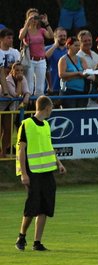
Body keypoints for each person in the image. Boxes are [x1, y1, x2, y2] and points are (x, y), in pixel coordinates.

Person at [14, 96, 66, 252]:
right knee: (33, 205)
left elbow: (49, 146)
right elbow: (21, 150)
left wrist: (59, 163)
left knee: (45, 206)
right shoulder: (26, 125)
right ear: (47, 108)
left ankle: (37, 242)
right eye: (51, 109)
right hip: (32, 171)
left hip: (46, 171)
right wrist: (23, 173)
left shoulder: (46, 126)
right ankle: (21, 236)